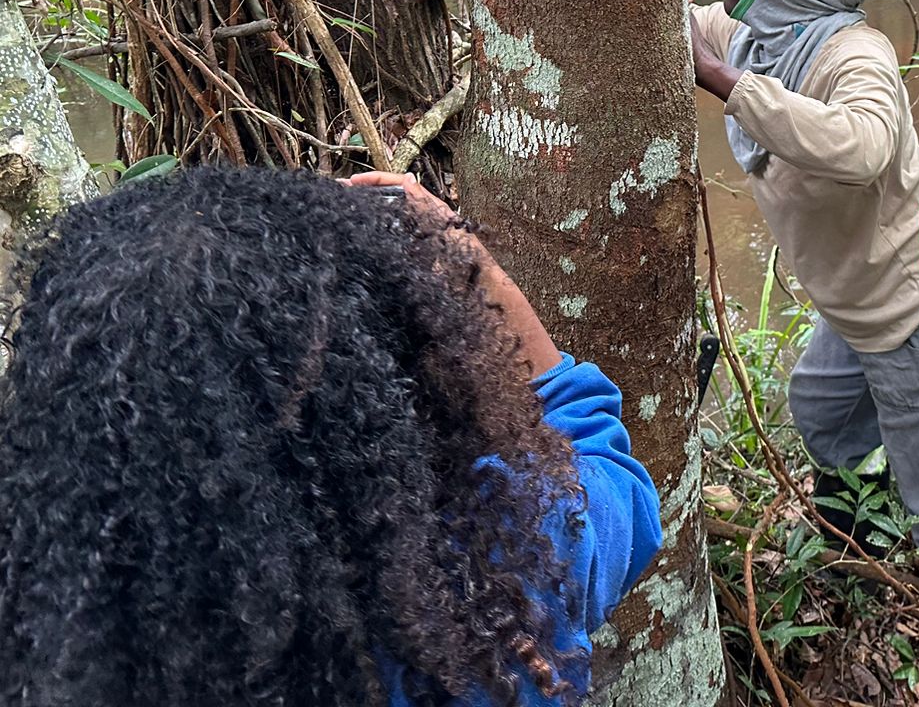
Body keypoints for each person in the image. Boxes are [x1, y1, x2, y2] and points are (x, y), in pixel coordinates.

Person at [0, 165, 661, 707]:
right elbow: (612, 478)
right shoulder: (497, 569)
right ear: (366, 379)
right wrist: (471, 265)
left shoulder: (53, 616)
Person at [689, 0, 919, 611]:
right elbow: (680, 26)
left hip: (912, 294)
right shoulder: (759, 34)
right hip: (857, 297)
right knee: (821, 411)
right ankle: (855, 541)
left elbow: (864, 146)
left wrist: (727, 84)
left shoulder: (856, 53)